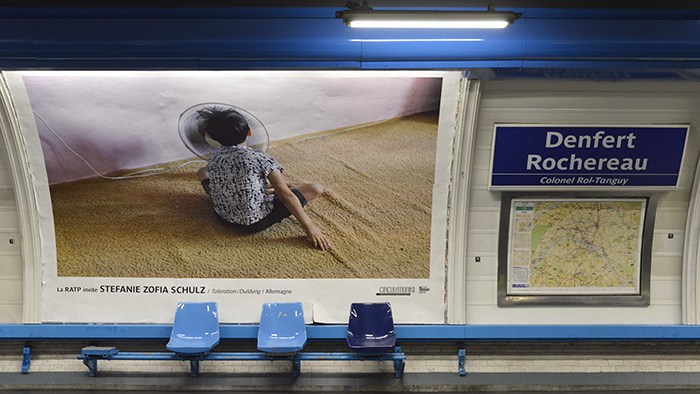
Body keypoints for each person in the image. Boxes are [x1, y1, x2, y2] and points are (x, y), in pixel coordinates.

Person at [195, 106, 330, 251]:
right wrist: (310, 227)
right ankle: (270, 191)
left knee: (203, 172)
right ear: (249, 132)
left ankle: (268, 190)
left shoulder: (214, 159)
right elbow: (286, 195)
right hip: (255, 223)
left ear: (214, 138)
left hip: (222, 217)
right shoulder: (262, 158)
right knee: (316, 188)